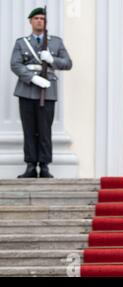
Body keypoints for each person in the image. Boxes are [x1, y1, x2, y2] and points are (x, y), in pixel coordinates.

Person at [11, 7, 73, 178]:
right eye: (36, 18)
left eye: (42, 18)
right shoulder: (21, 42)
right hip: (27, 90)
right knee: (29, 129)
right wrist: (32, 78)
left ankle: (44, 166)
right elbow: (15, 64)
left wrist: (52, 60)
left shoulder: (56, 42)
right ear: (30, 21)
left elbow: (68, 63)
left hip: (48, 92)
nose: (39, 21)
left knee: (45, 129)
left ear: (46, 23)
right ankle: (31, 165)